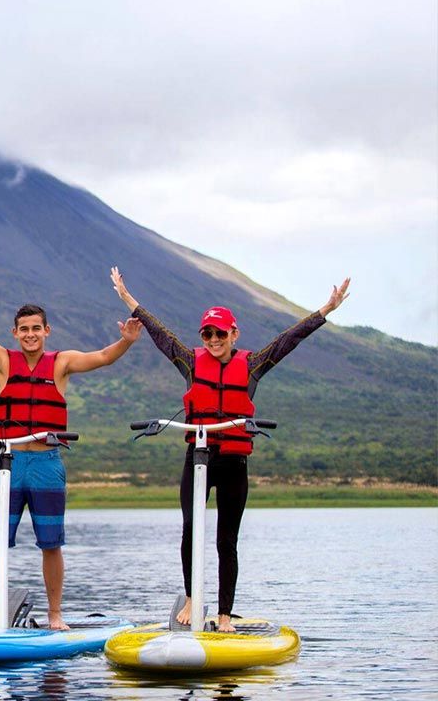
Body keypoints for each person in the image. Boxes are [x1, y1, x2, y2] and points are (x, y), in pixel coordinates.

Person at [111, 267, 351, 632]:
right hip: (198, 457)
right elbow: (162, 336)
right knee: (191, 526)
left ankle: (224, 615)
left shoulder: (252, 365)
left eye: (219, 333)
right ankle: (193, 598)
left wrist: (325, 310)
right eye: (207, 333)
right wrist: (129, 299)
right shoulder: (191, 362)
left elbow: (290, 339)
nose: (212, 339)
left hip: (234, 461)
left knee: (227, 538)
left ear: (233, 333)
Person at [0, 265, 143, 630]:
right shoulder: (3, 360)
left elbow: (103, 357)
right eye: (23, 329)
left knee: (51, 543)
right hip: (7, 464)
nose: (30, 334)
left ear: (46, 330)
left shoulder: (62, 364)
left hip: (46, 464)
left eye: (36, 328)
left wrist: (126, 342)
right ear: (15, 332)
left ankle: (55, 615)